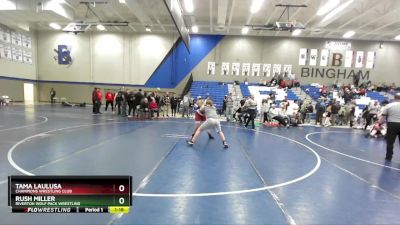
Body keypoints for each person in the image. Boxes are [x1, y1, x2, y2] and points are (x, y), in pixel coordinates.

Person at [380, 93, 400, 161]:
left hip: (392, 125)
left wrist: (380, 123)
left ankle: (388, 157)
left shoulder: (389, 105)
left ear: (394, 98)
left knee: (390, 142)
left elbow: (383, 117)